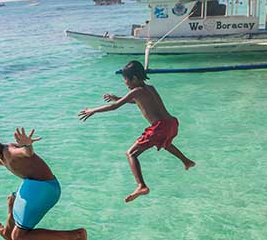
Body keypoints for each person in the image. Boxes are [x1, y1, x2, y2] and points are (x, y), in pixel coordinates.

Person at [78, 60, 195, 203]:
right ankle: (186, 161)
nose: (125, 83)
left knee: (131, 153)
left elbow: (114, 107)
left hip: (160, 126)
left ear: (133, 78)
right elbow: (139, 101)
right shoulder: (150, 88)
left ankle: (141, 186)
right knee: (165, 142)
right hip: (171, 123)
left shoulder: (135, 91)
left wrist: (93, 110)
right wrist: (119, 98)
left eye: (125, 79)